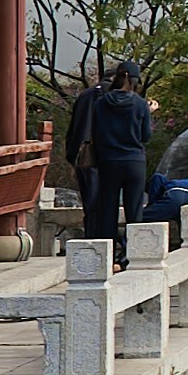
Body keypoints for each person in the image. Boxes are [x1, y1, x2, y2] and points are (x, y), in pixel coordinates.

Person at [73, 60, 162, 243]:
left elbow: (96, 134)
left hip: (109, 163)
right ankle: (131, 256)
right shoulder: (140, 104)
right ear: (135, 80)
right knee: (134, 211)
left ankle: (109, 255)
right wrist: (148, 112)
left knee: (107, 210)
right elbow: (145, 136)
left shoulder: (101, 103)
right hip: (134, 162)